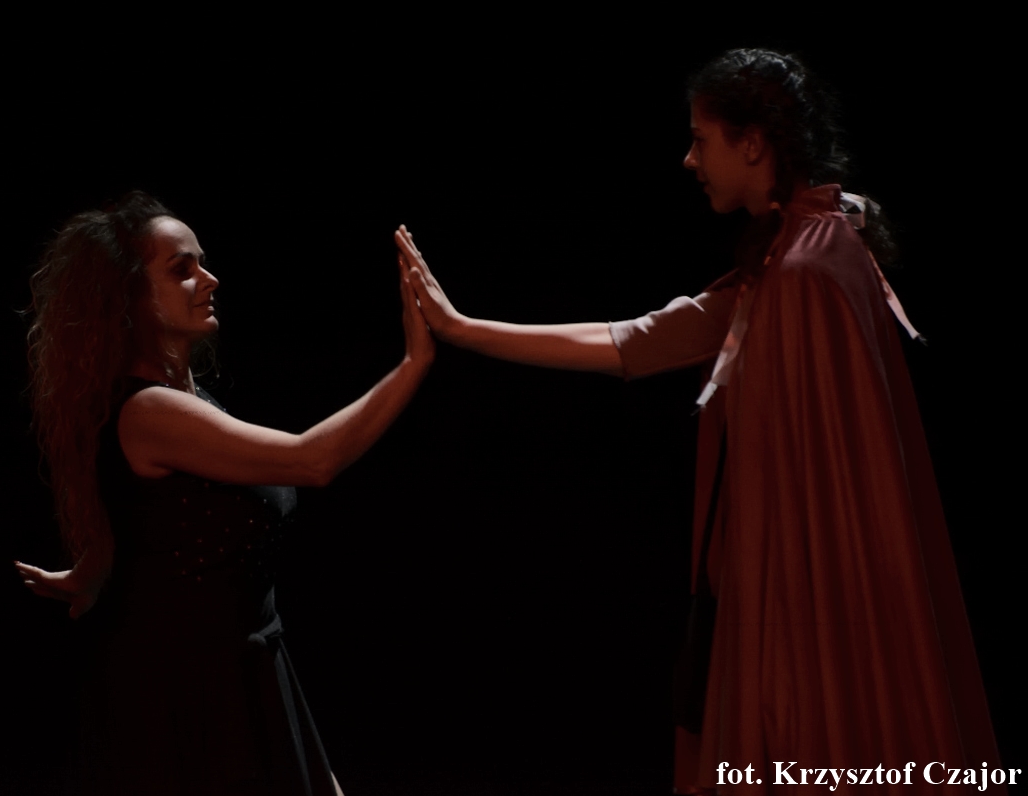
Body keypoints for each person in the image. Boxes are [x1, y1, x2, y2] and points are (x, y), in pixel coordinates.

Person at [394, 49, 1004, 794]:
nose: (689, 160)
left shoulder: (806, 271)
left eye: (700, 139)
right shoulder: (797, 254)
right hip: (797, 592)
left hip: (806, 604)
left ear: (752, 143)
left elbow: (819, 484)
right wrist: (462, 327)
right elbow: (639, 341)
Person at [16, 191, 433, 795]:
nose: (209, 279)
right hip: (189, 698)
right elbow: (312, 460)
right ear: (129, 298)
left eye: (202, 262)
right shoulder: (151, 412)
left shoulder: (191, 402)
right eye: (181, 269)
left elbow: (150, 516)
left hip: (247, 674)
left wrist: (102, 567)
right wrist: (415, 361)